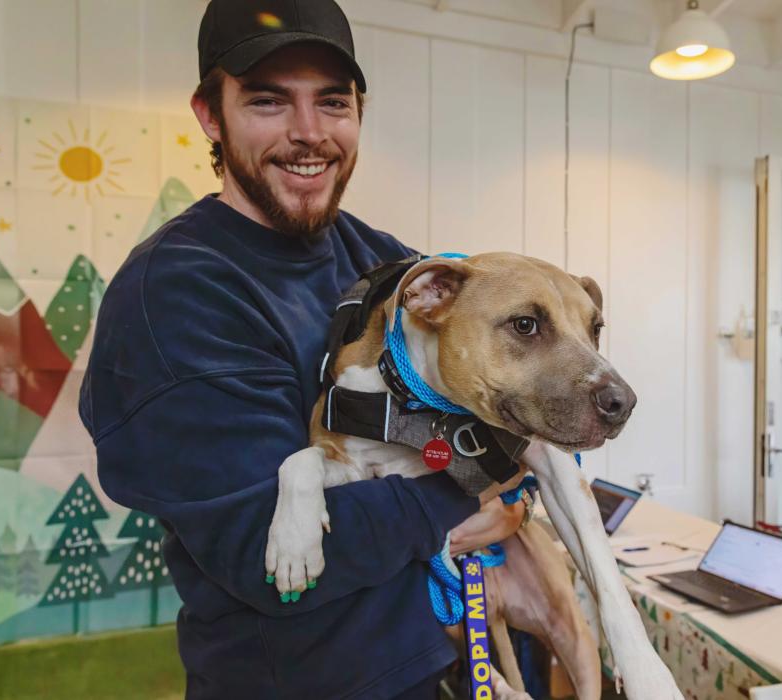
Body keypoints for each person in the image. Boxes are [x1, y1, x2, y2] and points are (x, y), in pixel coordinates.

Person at [79, 0, 522, 697]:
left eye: (333, 102)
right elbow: (269, 553)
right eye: (268, 101)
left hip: (427, 658)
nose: (309, 133)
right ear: (209, 114)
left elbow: (485, 397)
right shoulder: (176, 292)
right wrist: (469, 482)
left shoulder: (381, 259)